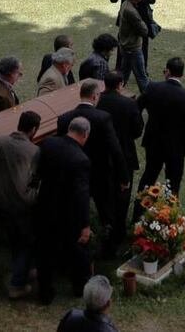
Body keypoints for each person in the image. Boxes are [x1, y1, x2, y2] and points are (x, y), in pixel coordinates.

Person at [57, 80, 127, 257]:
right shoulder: (103, 117)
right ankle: (109, 247)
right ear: (95, 96)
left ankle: (72, 246)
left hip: (73, 174)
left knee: (74, 211)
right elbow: (115, 149)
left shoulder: (64, 118)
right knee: (106, 211)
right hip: (100, 173)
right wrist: (123, 176)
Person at [36, 117, 92, 305]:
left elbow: (41, 171)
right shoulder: (81, 160)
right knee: (77, 252)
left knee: (45, 251)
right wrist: (85, 225)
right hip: (68, 214)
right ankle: (78, 287)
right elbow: (82, 195)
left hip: (45, 205)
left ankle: (44, 291)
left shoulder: (49, 143)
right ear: (84, 135)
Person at [0, 111, 41, 299]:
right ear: (34, 130)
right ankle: (17, 284)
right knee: (25, 243)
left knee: (15, 240)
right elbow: (34, 181)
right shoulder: (33, 151)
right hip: (22, 206)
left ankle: (29, 269)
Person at [135, 58, 185, 209]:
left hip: (153, 141)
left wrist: (140, 126)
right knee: (173, 182)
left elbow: (137, 107)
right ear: (181, 75)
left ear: (168, 72)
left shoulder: (153, 87)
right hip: (175, 146)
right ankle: (169, 216)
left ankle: (138, 211)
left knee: (148, 176)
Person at [96, 71, 143, 247]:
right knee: (122, 193)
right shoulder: (129, 104)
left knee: (104, 190)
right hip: (124, 152)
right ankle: (119, 229)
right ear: (120, 85)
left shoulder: (97, 101)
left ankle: (106, 223)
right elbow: (137, 130)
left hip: (101, 153)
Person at [110, 0, 156, 67]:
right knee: (122, 45)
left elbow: (152, 0)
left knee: (143, 47)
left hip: (141, 21)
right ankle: (119, 69)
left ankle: (143, 70)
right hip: (126, 21)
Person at [117, 0, 150, 93]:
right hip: (133, 48)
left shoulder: (126, 4)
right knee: (142, 77)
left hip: (126, 46)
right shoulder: (131, 11)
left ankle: (116, 94)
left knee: (124, 75)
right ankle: (148, 100)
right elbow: (144, 30)